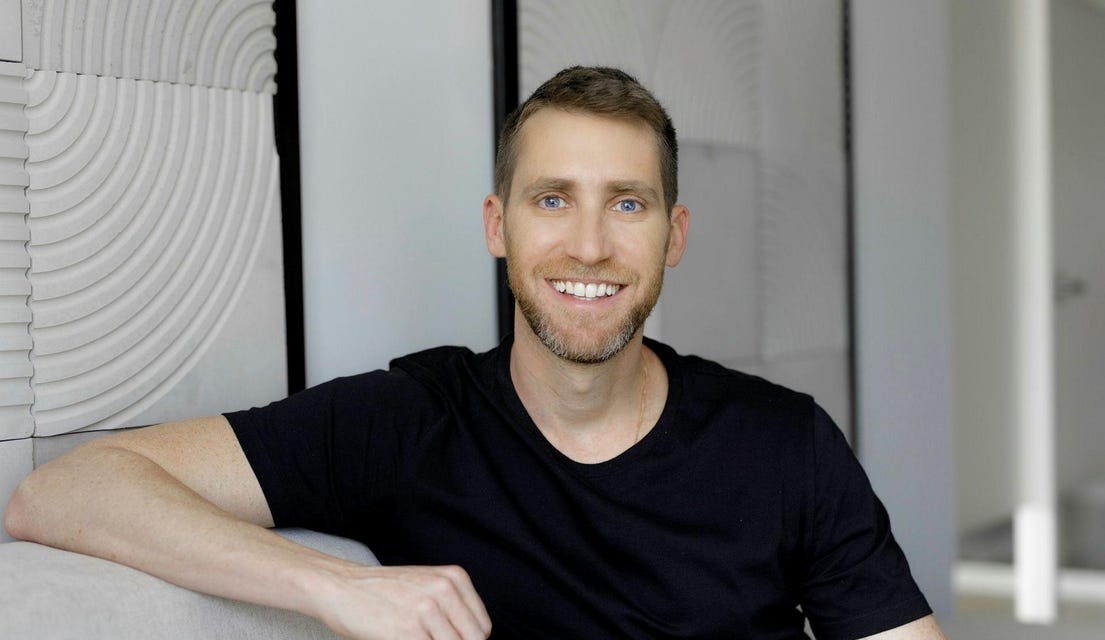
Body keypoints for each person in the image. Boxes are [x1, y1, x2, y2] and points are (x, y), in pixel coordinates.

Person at [5, 66, 946, 640]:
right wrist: (335, 587)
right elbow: (62, 492)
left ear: (674, 234)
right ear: (497, 226)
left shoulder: (782, 443)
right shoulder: (408, 422)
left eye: (627, 203)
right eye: (551, 200)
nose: (588, 245)